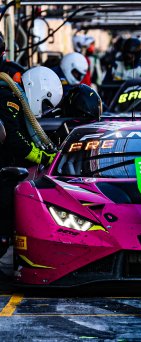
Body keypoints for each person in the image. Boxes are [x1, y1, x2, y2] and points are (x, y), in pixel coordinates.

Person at [0, 66, 62, 256]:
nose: (43, 110)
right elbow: (14, 139)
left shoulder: (14, 98)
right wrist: (42, 156)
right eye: (45, 103)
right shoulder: (9, 99)